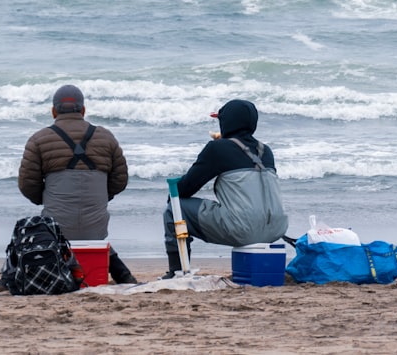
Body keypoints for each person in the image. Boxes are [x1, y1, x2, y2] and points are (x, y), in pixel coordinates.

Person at [16, 84, 137, 284]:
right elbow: (120, 179)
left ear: (53, 111)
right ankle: (123, 276)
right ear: (83, 110)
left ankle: (6, 278)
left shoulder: (38, 140)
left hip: (55, 229)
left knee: (30, 233)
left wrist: (44, 199)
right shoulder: (106, 137)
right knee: (95, 239)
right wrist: (101, 196)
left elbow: (27, 184)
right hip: (97, 227)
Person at [162, 99, 288, 278]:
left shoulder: (218, 148)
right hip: (276, 228)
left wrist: (214, 150)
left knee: (175, 208)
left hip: (243, 229)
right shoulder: (265, 151)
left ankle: (176, 271)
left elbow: (185, 189)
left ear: (227, 122)